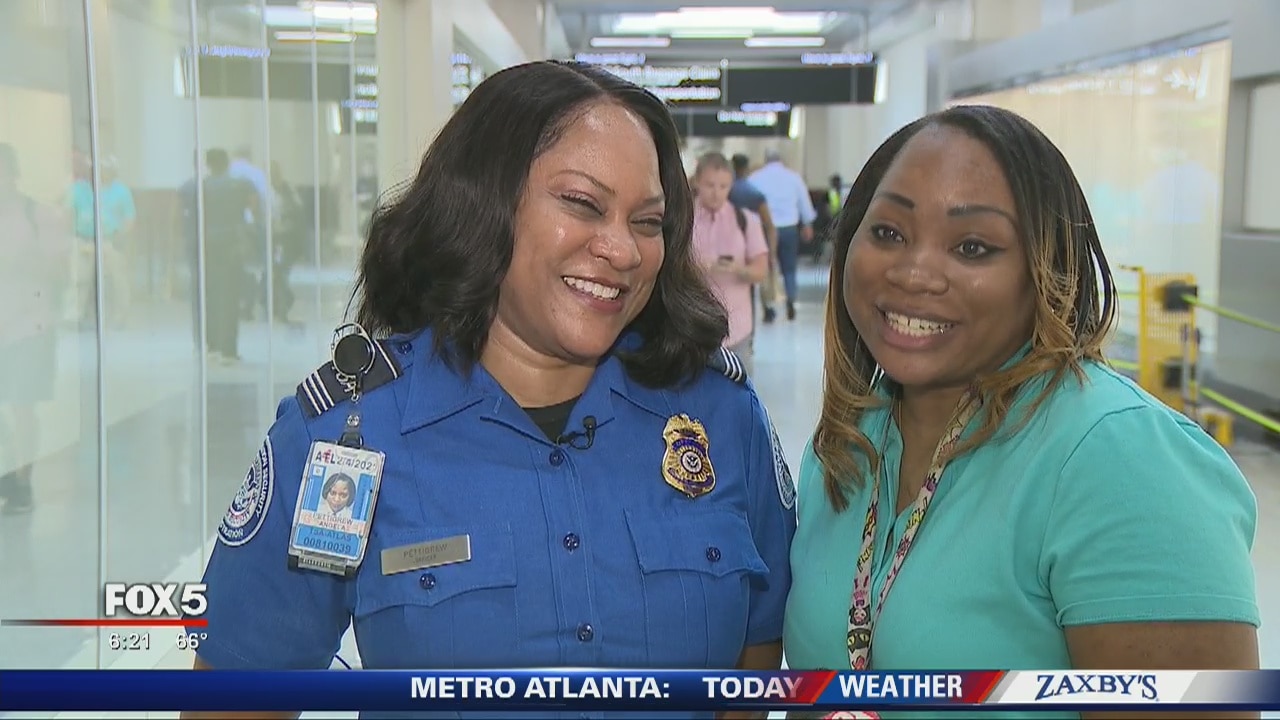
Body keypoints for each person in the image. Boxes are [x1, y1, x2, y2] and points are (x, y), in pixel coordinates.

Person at [185, 60, 795, 720]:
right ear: (485, 203)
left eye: (648, 221)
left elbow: (751, 674)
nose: (623, 250)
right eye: (583, 205)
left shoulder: (721, 417)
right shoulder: (347, 435)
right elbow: (239, 692)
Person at [784, 104, 1259, 720]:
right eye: (889, 233)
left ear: (1044, 271)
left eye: (973, 246)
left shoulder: (1117, 457)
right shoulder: (849, 444)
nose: (915, 273)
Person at [0, 143, 67, 514]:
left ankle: (22, 482)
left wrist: (28, 261)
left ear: (13, 173)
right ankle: (8, 472)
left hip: (30, 328)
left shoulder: (36, 214)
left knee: (22, 407)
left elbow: (58, 270)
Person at [692, 152, 768, 374]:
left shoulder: (746, 220)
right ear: (697, 182)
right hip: (692, 328)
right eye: (710, 185)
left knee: (740, 398)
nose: (716, 193)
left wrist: (740, 270)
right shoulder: (682, 219)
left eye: (723, 186)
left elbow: (761, 270)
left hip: (737, 329)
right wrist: (696, 268)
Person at [748, 149, 815, 322]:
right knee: (789, 268)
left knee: (766, 267)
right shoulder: (793, 178)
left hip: (764, 228)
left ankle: (769, 307)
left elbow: (749, 206)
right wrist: (807, 224)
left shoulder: (755, 178)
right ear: (781, 160)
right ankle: (790, 300)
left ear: (765, 160)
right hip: (789, 228)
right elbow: (804, 202)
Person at [730, 154, 779, 324]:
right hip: (753, 245)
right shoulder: (755, 193)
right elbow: (769, 224)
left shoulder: (726, 192)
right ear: (747, 167)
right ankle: (761, 313)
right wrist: (771, 252)